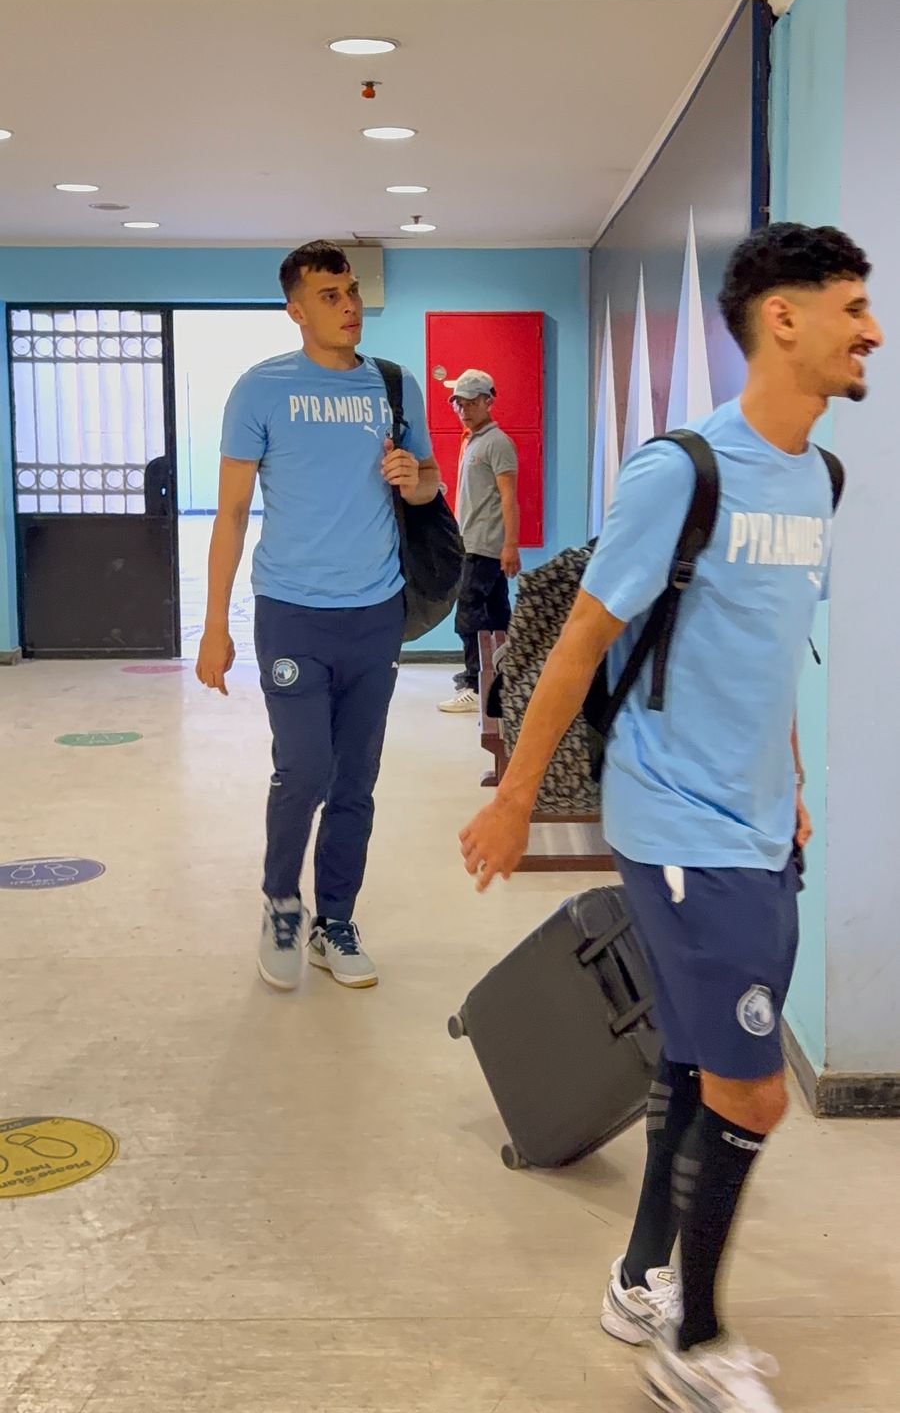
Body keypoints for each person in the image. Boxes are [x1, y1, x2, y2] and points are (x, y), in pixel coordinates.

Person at [459, 224, 882, 1413]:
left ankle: (641, 1278)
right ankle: (691, 1340)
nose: (872, 329)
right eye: (852, 306)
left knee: (700, 1062)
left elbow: (765, 649)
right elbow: (580, 638)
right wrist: (513, 800)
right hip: (678, 823)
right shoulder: (682, 471)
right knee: (755, 1092)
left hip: (759, 825)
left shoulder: (820, 478)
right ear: (782, 317)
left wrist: (790, 784)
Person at [196, 240, 439, 992]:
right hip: (292, 613)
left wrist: (413, 476)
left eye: (353, 291)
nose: (350, 306)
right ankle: (281, 903)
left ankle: (335, 921)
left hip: (375, 613)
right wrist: (214, 624)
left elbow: (430, 485)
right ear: (296, 310)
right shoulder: (260, 390)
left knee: (356, 779)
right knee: (304, 768)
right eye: (330, 295)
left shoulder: (393, 386)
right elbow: (231, 512)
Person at [438, 368, 520, 714]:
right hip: (470, 542)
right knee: (497, 612)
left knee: (469, 614)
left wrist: (510, 545)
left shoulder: (497, 443)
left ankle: (475, 686)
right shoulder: (472, 440)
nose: (464, 409)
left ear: (488, 401)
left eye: (471, 402)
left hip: (484, 546)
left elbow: (509, 497)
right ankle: (503, 677)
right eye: (459, 403)